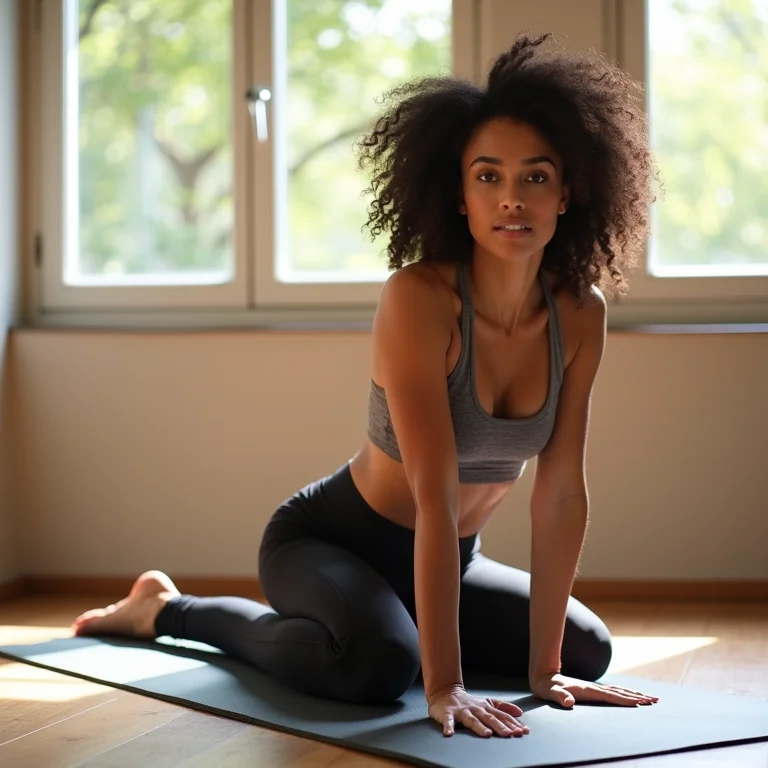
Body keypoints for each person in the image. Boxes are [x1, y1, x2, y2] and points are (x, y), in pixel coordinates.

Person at [72, 33, 661, 739]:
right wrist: (445, 687)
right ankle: (167, 609)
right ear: (459, 194)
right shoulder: (419, 298)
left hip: (453, 557)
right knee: (377, 667)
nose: (512, 199)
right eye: (487, 176)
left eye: (535, 177)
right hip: (329, 543)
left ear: (568, 192)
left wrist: (545, 673)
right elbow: (434, 495)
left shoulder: (579, 312)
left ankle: (411, 629)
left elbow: (562, 491)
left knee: (585, 651)